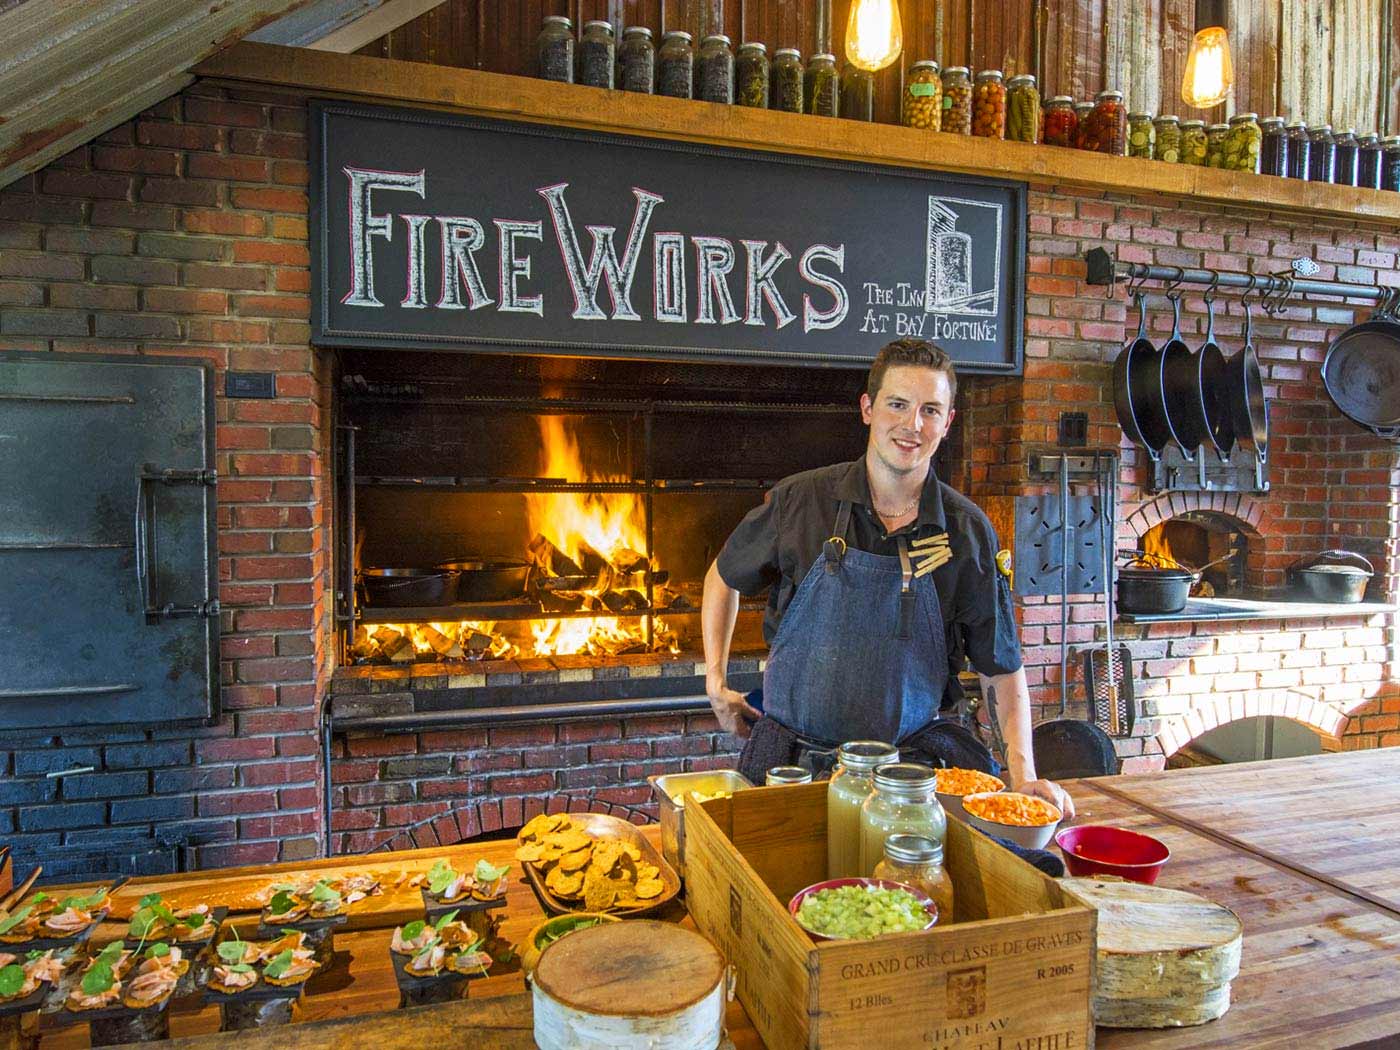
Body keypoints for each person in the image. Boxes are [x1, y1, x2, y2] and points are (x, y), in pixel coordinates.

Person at [701, 337, 1074, 818]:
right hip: (792, 766)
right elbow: (723, 576)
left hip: (909, 779)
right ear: (867, 408)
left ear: (948, 423)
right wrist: (715, 679)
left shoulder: (966, 531)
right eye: (898, 404)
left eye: (930, 410)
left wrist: (1023, 777)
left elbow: (999, 665)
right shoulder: (802, 500)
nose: (912, 425)